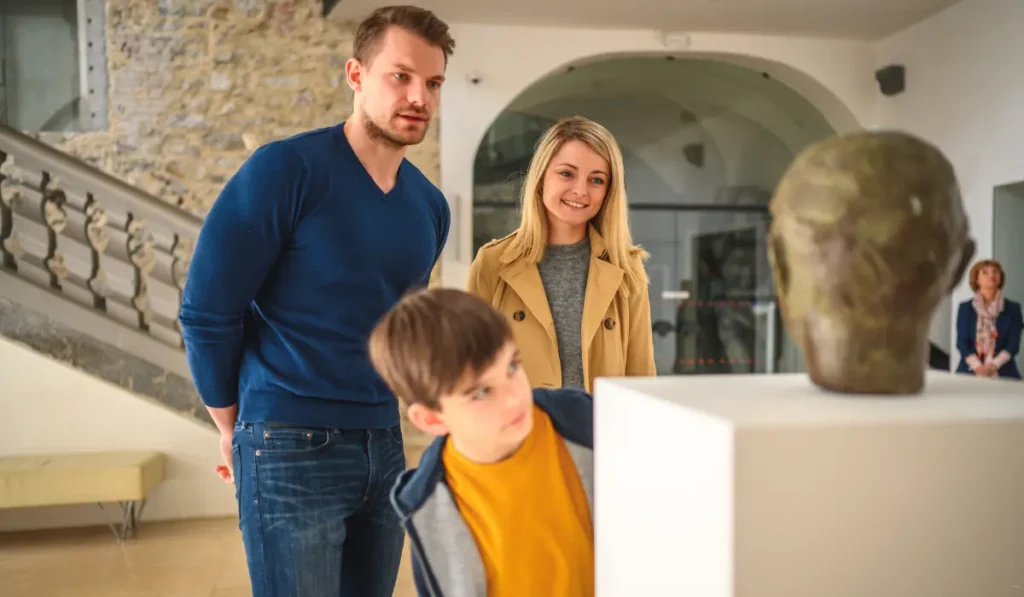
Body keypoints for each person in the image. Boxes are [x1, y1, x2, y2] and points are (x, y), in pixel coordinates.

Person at [177, 6, 455, 596]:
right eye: (400, 76)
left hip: (383, 444)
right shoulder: (286, 170)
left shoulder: (430, 207)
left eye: (433, 84)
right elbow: (207, 311)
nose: (419, 97)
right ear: (355, 74)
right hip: (286, 442)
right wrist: (231, 425)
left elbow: (401, 332)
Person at [368, 288, 595, 597]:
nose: (514, 397)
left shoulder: (586, 421)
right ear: (433, 419)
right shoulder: (427, 508)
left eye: (512, 367)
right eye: (481, 393)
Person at [467, 116, 656, 392]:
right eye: (567, 173)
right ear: (542, 177)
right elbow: (469, 369)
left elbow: (641, 377)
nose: (581, 190)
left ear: (608, 191)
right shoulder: (493, 263)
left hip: (598, 431)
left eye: (597, 180)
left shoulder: (626, 267)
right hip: (520, 431)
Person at [955, 259, 1022, 379]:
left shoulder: (1013, 309)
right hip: (969, 371)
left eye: (995, 272)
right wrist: (978, 367)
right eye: (985, 272)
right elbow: (962, 342)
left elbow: (1013, 345)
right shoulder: (965, 308)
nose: (991, 275)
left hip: (1005, 373)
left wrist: (992, 367)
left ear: (1000, 278)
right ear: (977, 279)